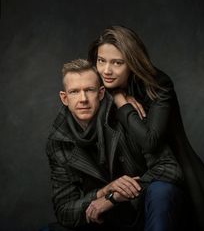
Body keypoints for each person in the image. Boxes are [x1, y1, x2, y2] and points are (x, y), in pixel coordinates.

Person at [88, 25, 204, 231]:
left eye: (117, 63)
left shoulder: (157, 84)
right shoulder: (97, 84)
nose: (106, 70)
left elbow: (150, 141)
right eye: (101, 61)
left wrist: (122, 103)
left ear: (132, 63)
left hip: (167, 174)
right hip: (118, 183)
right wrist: (115, 94)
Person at [45, 59, 144, 231]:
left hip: (138, 207)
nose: (83, 99)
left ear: (100, 93)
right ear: (64, 98)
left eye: (89, 90)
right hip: (100, 219)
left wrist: (116, 196)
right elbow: (65, 212)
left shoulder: (123, 115)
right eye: (74, 92)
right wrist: (105, 192)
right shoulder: (58, 142)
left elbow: (159, 172)